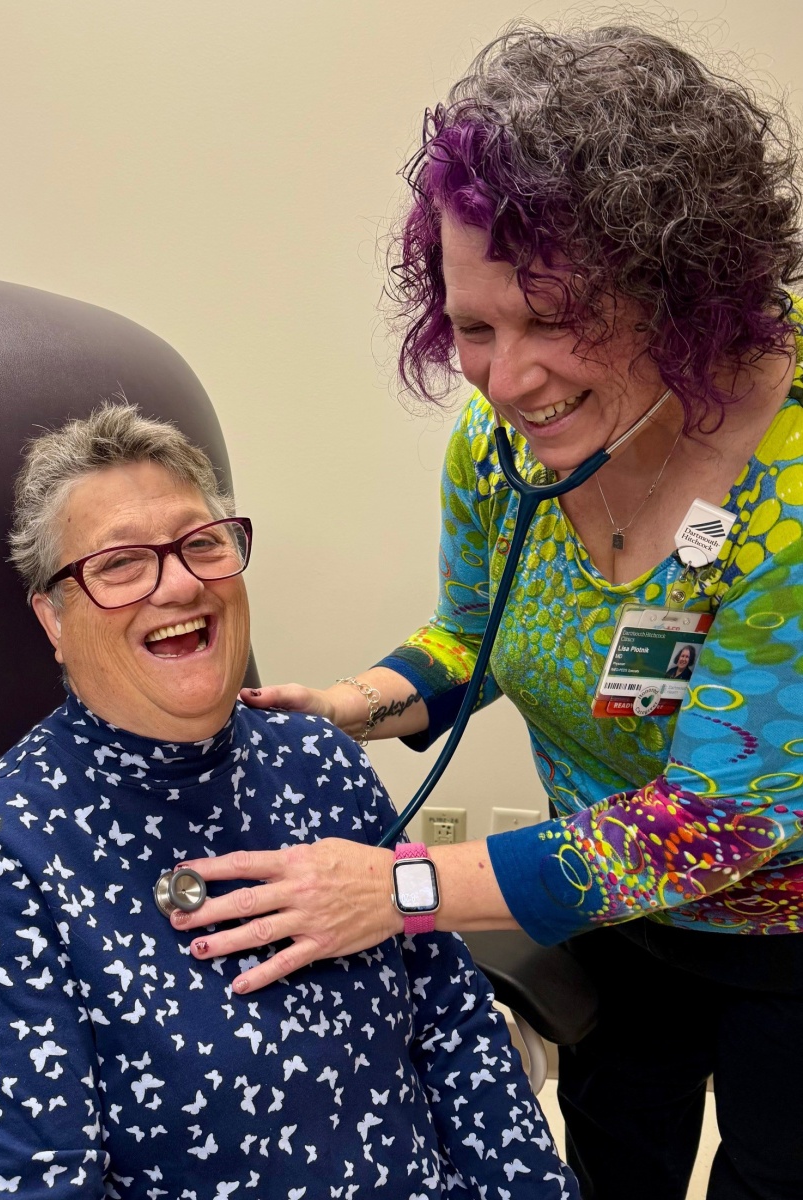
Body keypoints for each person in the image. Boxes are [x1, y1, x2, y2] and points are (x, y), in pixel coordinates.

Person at [166, 24, 803, 1200]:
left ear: (686, 288)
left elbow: (713, 824)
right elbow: (480, 627)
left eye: (557, 320)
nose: (507, 380)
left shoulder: (790, 479)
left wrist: (397, 887)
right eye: (473, 326)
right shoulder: (507, 446)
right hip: (608, 910)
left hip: (785, 935)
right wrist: (359, 702)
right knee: (616, 1149)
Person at [0, 402, 578, 1199]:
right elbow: (37, 1183)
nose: (182, 582)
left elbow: (453, 1026)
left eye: (202, 544)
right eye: (120, 563)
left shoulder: (319, 759)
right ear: (53, 617)